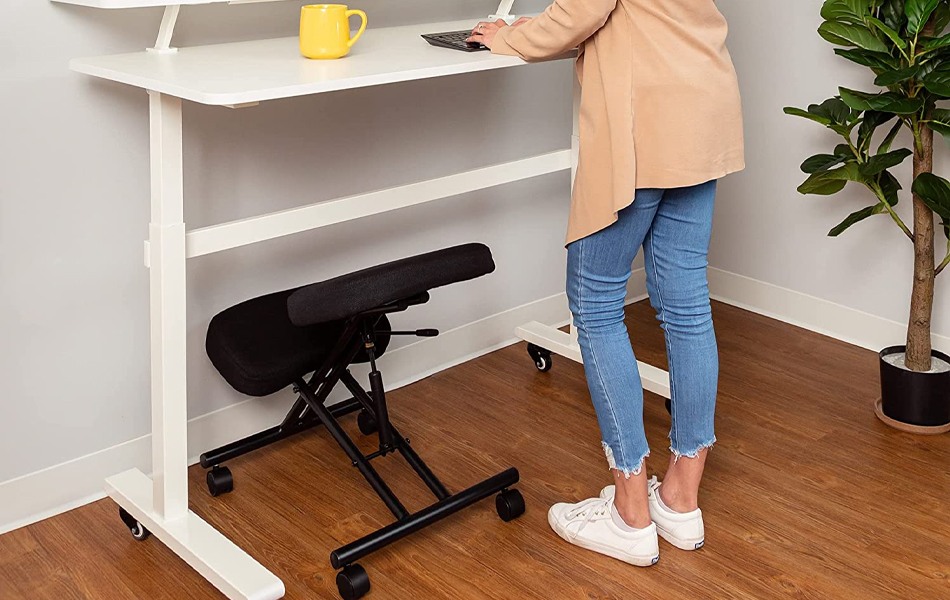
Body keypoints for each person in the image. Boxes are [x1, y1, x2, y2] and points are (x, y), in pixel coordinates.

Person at [468, 0, 744, 567]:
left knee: (594, 306)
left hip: (643, 120)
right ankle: (680, 500)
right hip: (700, 101)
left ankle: (630, 513)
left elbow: (584, 7)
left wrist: (509, 37)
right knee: (688, 304)